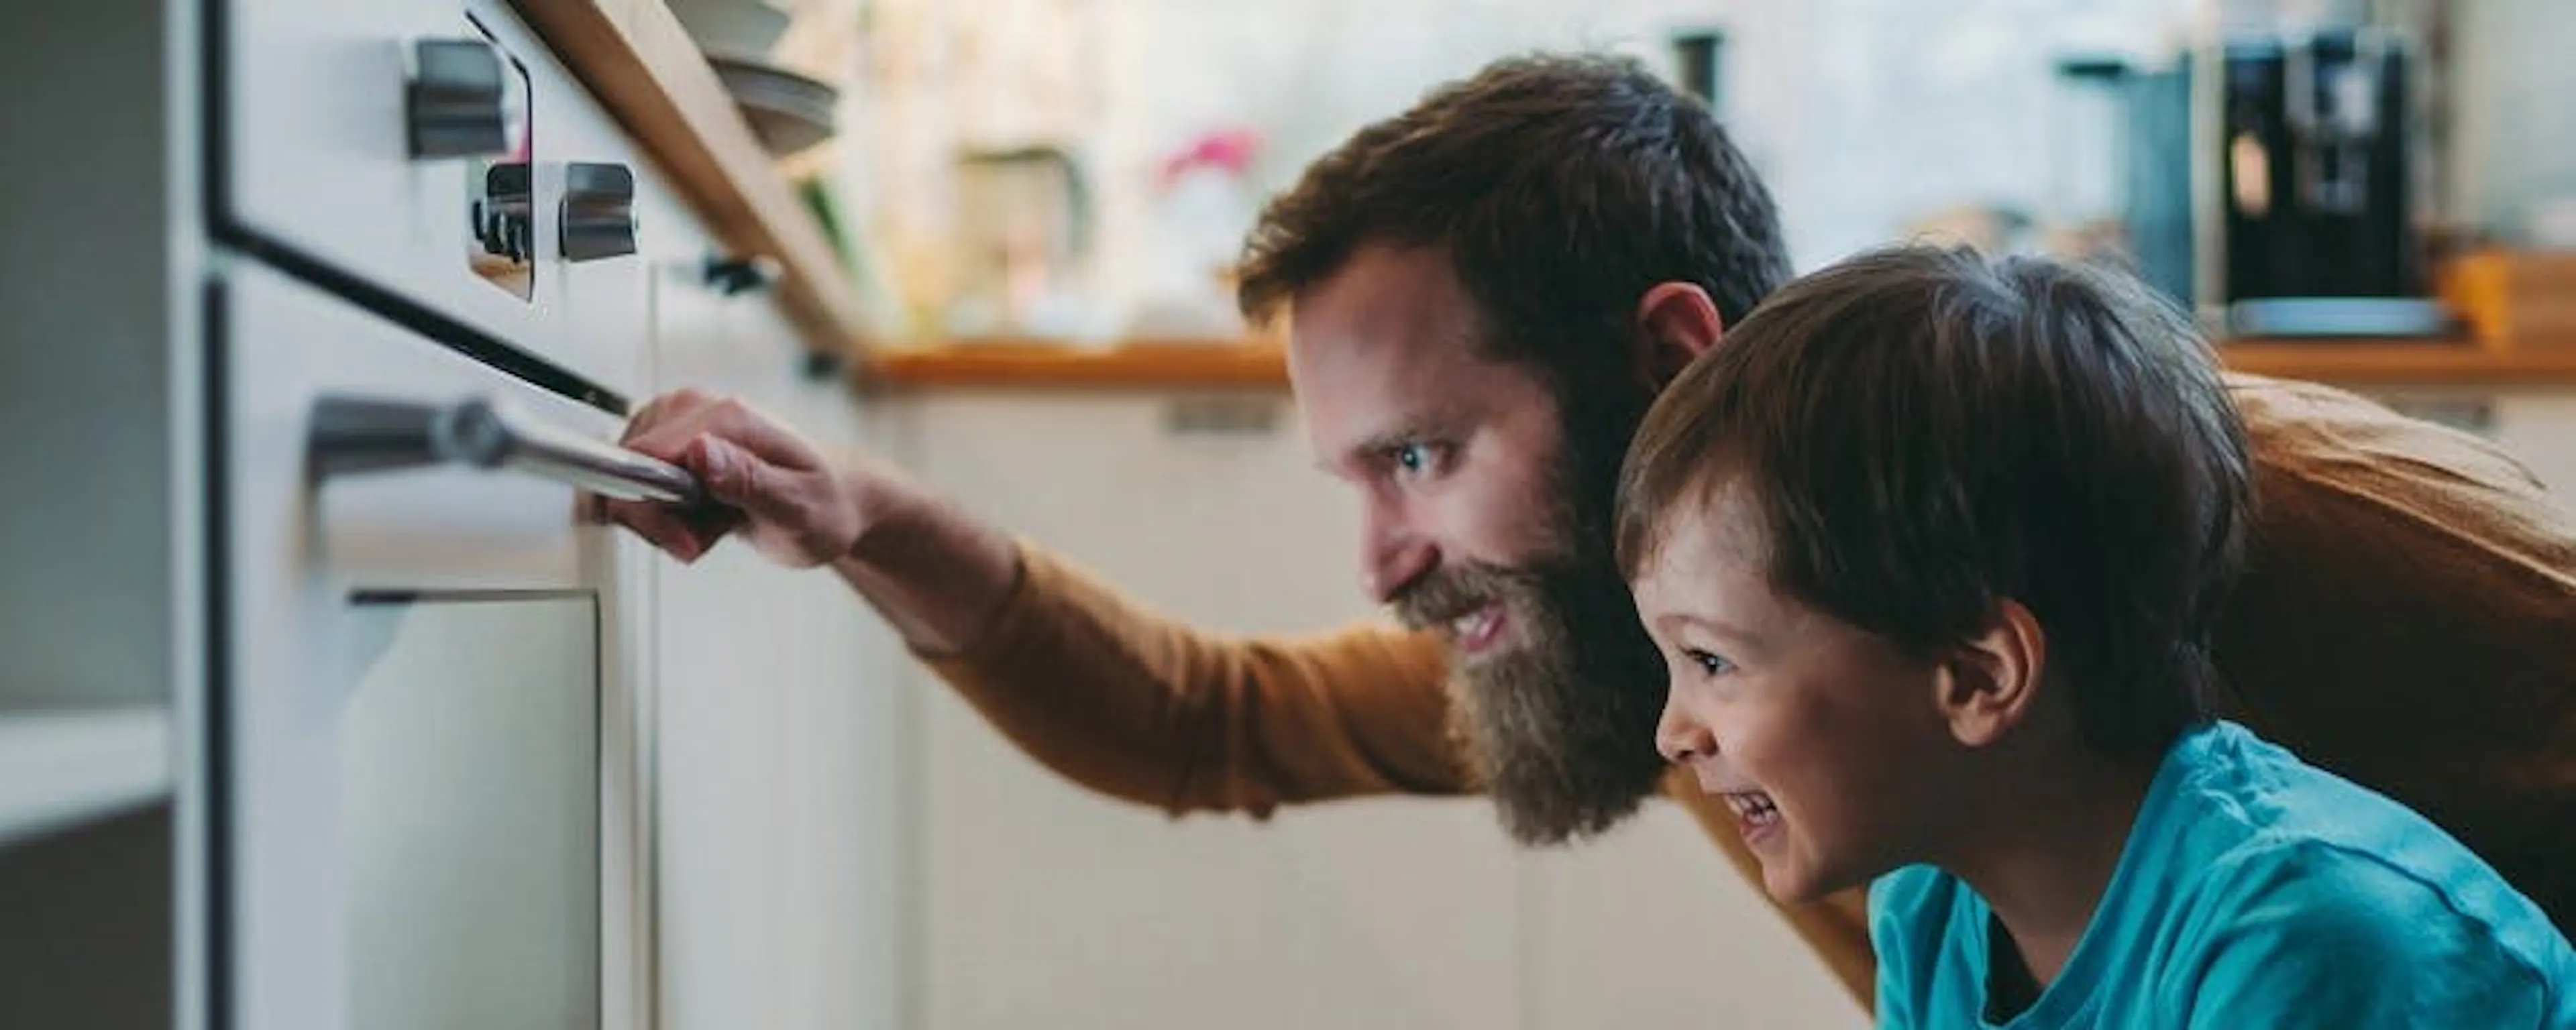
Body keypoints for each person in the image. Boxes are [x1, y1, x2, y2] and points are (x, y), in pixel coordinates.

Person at [604, 53, 2576, 1007]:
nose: (1384, 563)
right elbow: (1207, 724)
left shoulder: (2239, 523)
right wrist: (862, 518)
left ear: (1663, 354)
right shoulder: (1673, 655)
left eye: (1420, 458)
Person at [1617, 244, 2576, 1027]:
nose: (1675, 731)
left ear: (1978, 676)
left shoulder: (2299, 933)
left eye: (1712, 662)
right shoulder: (1929, 911)